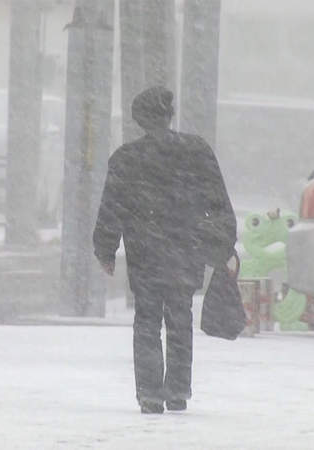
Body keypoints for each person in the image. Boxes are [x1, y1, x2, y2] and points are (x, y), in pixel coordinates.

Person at [93, 86, 237, 414]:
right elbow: (217, 200)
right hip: (186, 250)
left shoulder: (127, 158)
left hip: (145, 253)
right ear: (169, 115)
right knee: (180, 318)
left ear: (139, 119)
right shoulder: (197, 151)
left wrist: (105, 247)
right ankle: (178, 390)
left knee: (146, 320)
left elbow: (111, 207)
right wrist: (224, 244)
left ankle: (149, 393)